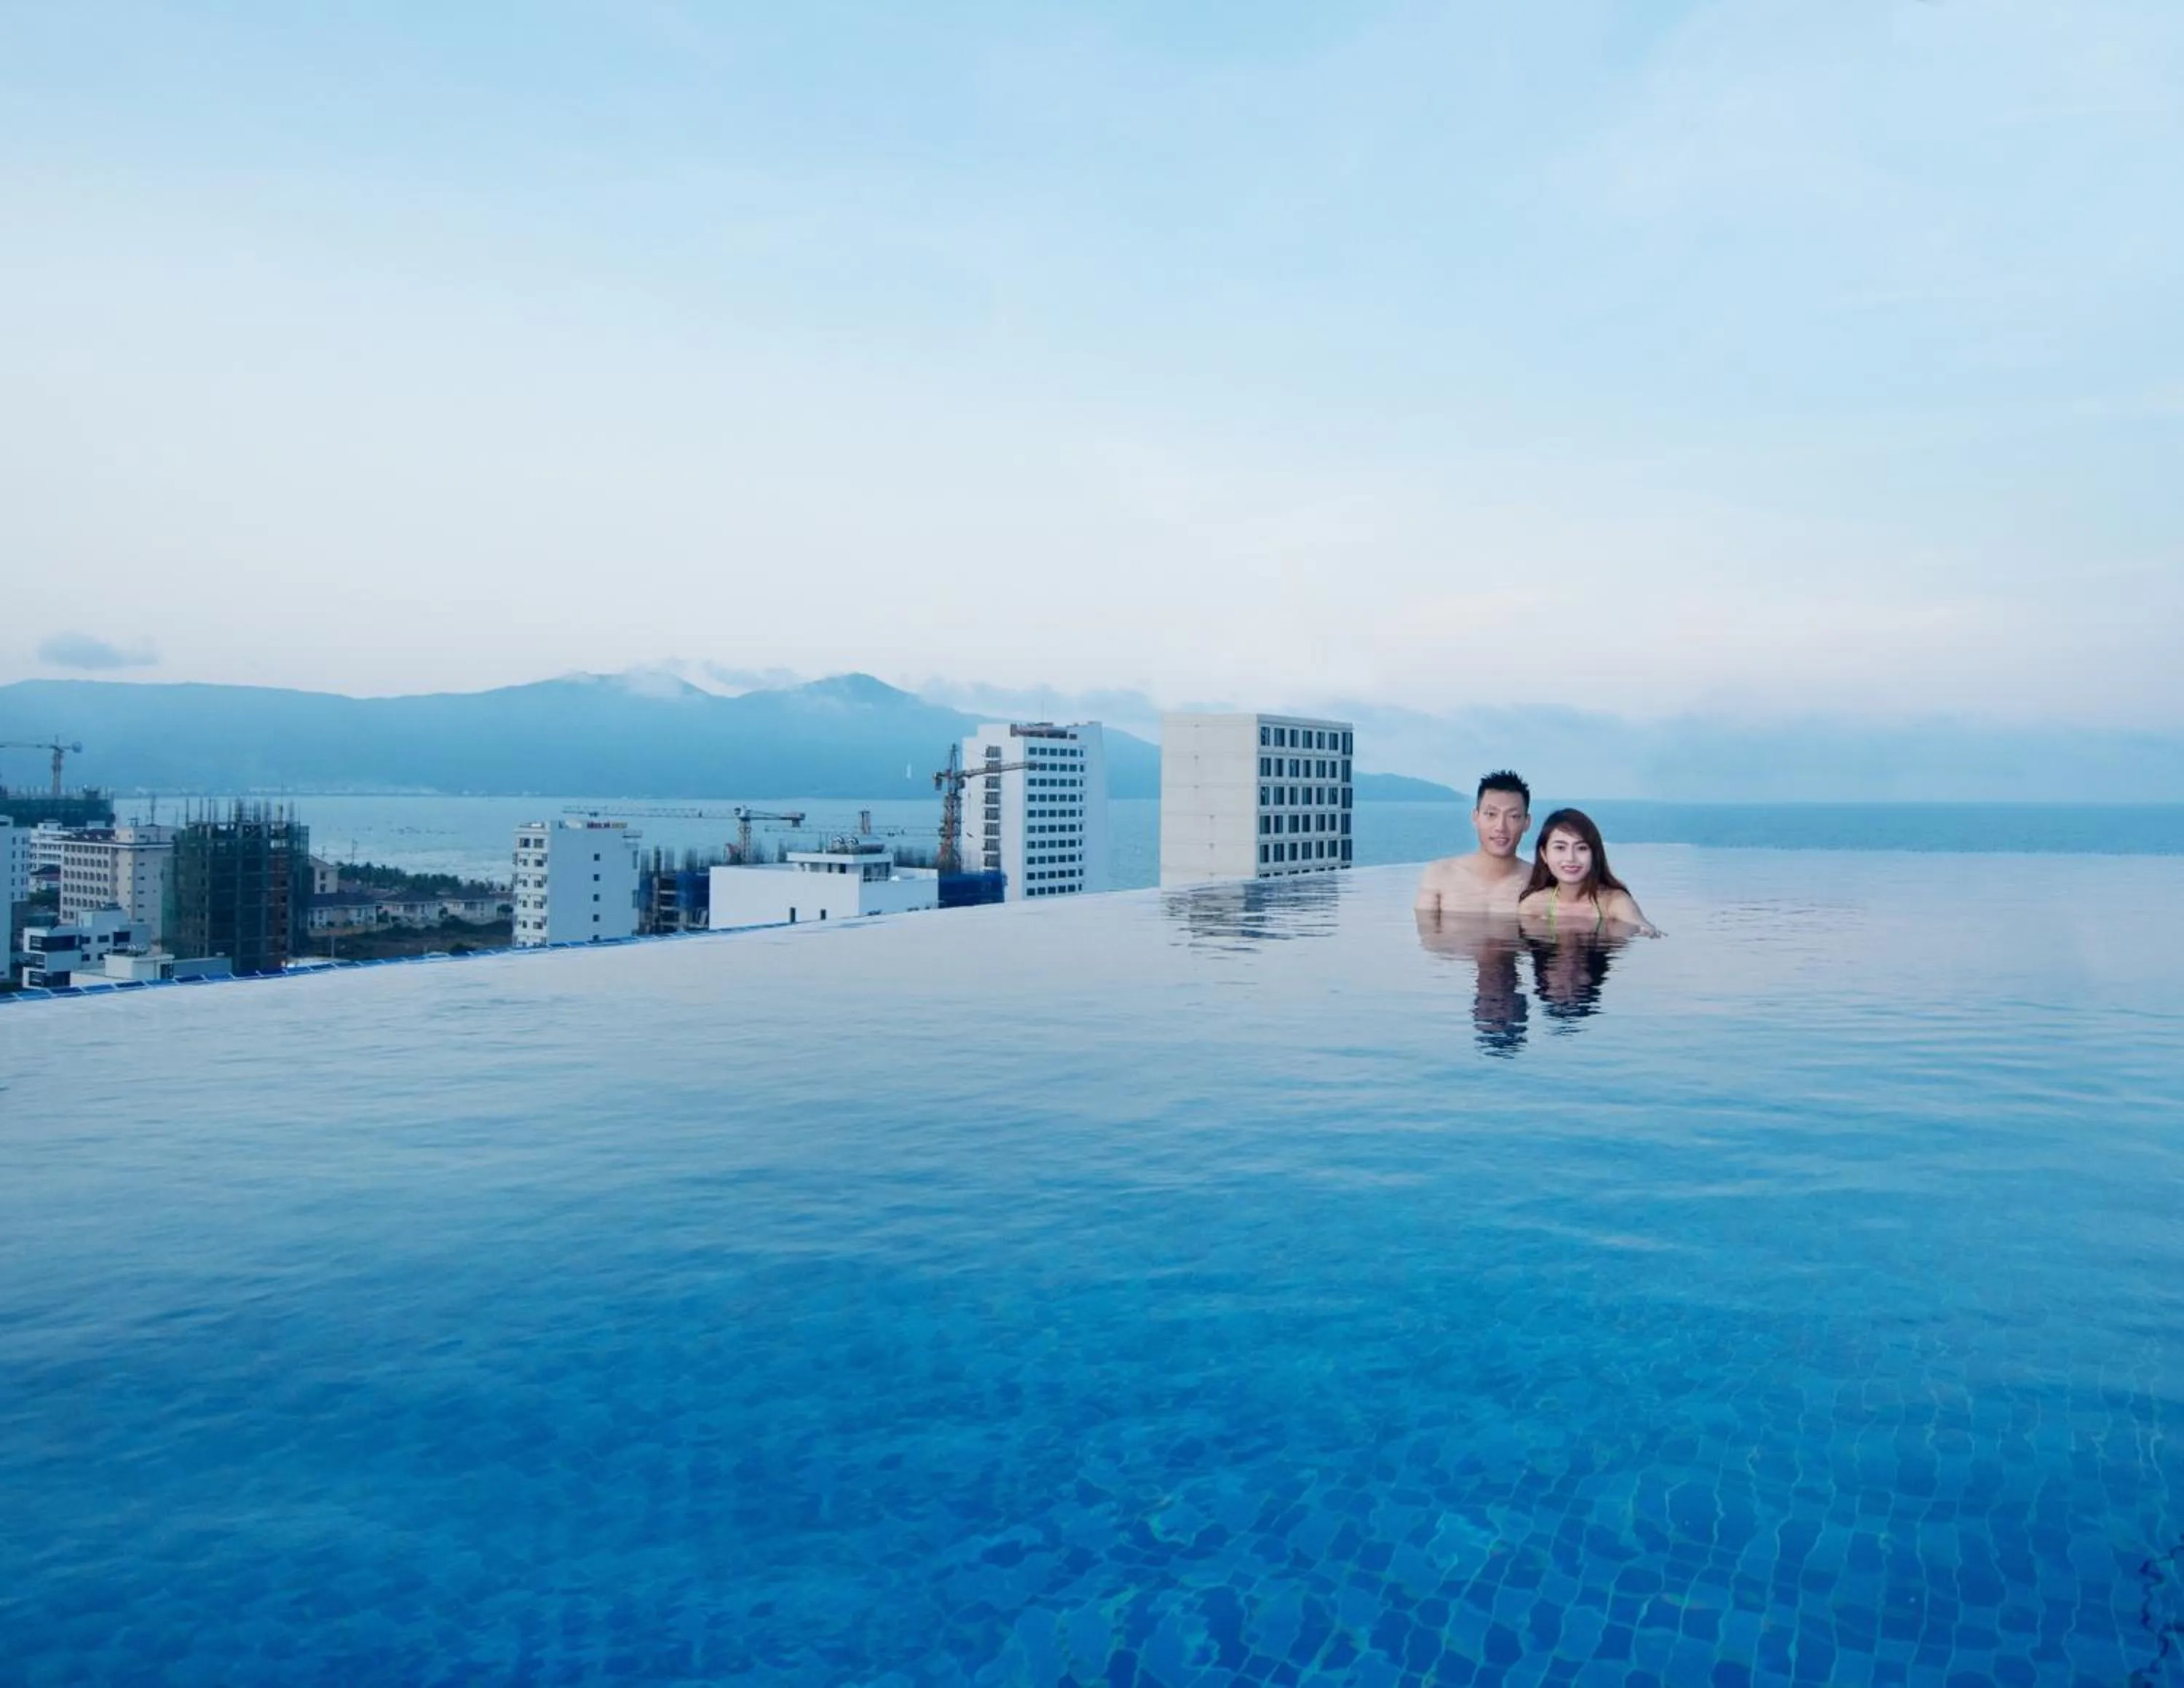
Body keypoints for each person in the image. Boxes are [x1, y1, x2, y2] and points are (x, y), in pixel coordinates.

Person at [1517, 808, 1661, 937]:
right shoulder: (1533, 906)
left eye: (1582, 848)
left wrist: (1645, 930)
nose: (1570, 858)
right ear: (1544, 855)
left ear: (1594, 854)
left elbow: (1643, 927)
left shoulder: (1613, 903)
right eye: (1560, 848)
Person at [1415, 770, 1535, 917]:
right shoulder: (1439, 876)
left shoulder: (1538, 882)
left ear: (1527, 823)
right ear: (1475, 818)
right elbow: (1428, 937)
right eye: (1491, 814)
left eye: (1513, 816)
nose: (1501, 827)